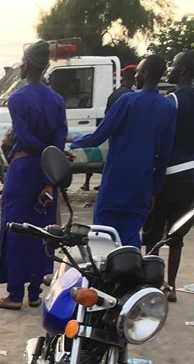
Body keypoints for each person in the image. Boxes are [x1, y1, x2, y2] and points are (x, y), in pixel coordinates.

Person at [0, 40, 67, 310]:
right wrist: (52, 161)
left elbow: (25, 137)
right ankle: (35, 293)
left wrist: (43, 151)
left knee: (16, 229)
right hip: (49, 173)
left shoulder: (18, 98)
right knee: (42, 231)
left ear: (27, 64)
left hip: (23, 172)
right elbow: (59, 138)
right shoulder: (57, 99)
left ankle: (13, 294)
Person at [71, 55, 176, 249]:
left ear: (144, 73)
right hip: (142, 185)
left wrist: (73, 140)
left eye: (138, 71)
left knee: (103, 236)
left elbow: (97, 137)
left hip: (116, 182)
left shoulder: (127, 101)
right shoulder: (168, 106)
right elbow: (164, 154)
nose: (135, 75)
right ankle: (129, 277)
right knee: (130, 239)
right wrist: (154, 190)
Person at [143, 50, 194, 301]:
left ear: (183, 71)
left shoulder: (172, 100)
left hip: (168, 176)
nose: (169, 70)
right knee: (177, 235)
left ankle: (148, 283)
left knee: (153, 231)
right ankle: (171, 286)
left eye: (173, 66)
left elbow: (161, 138)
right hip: (191, 180)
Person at [81, 65, 137, 192]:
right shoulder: (133, 96)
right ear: (133, 80)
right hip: (129, 139)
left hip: (115, 137)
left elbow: (107, 118)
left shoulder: (114, 95)